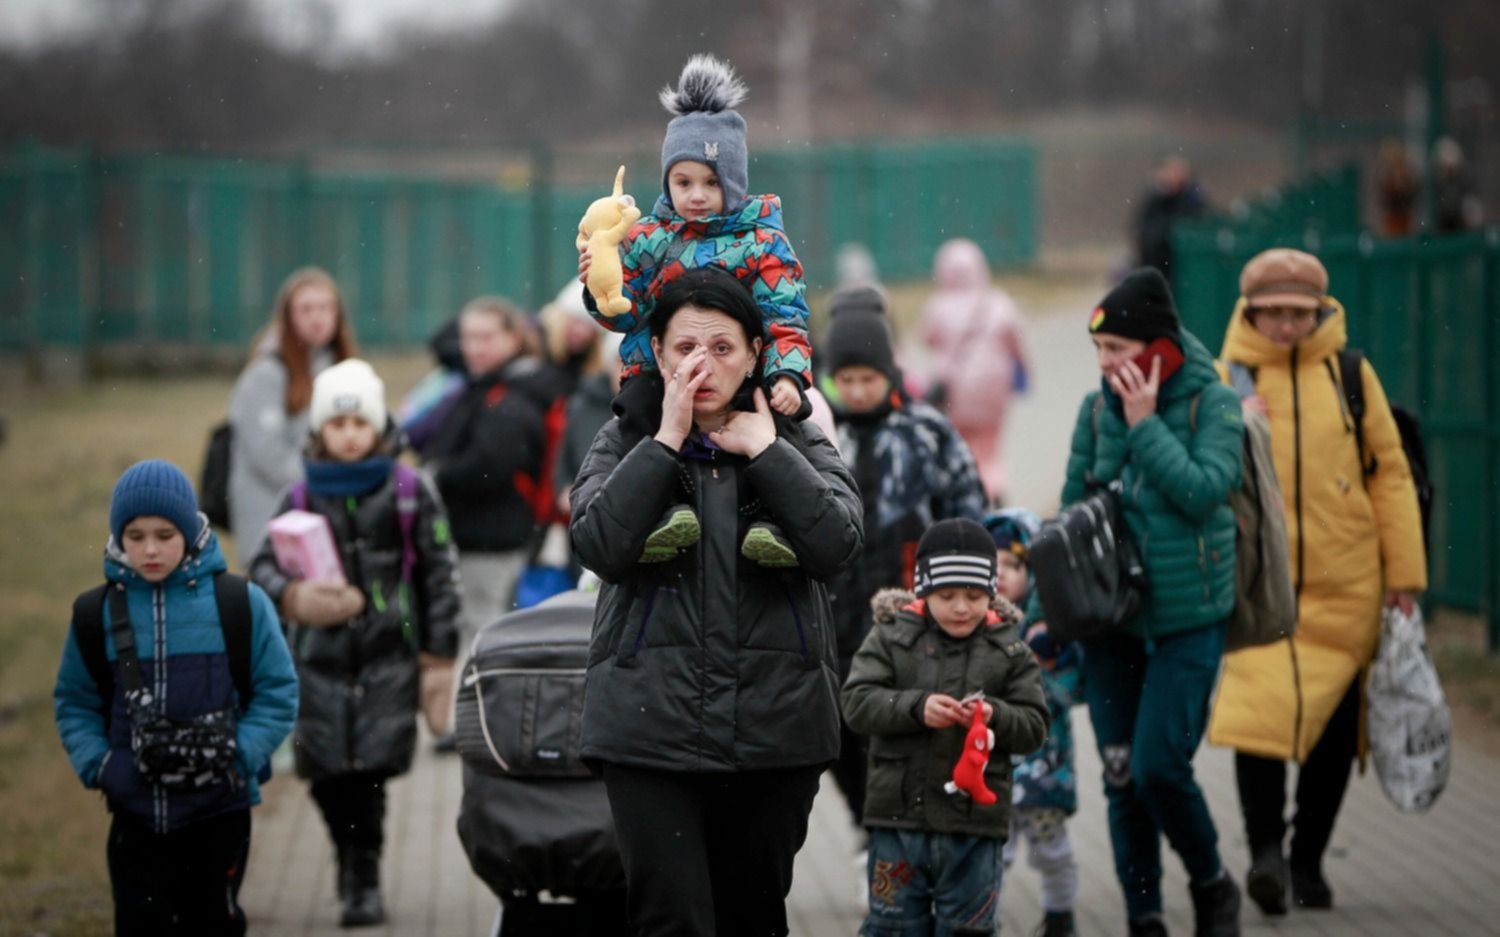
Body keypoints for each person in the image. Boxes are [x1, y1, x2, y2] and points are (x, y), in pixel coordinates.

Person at [569, 266, 862, 936]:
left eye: (724, 347)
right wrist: (664, 441)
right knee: (672, 919)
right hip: (647, 729)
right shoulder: (624, 438)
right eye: (685, 348)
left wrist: (766, 451)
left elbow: (838, 545)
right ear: (658, 353)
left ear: (758, 352)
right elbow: (598, 544)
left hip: (776, 730)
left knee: (752, 916)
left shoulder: (799, 437)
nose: (703, 364)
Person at [1206, 249, 1427, 916]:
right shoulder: (1224, 380)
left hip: (1346, 582)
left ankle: (1308, 858)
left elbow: (1389, 473)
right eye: (1272, 312)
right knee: (1258, 724)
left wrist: (1404, 575)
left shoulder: (1351, 376)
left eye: (1298, 313)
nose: (1284, 325)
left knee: (1334, 733)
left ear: (1320, 311)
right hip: (1259, 586)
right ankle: (1266, 853)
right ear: (1251, 311)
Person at [1050, 267, 1245, 936]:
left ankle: (1213, 881)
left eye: (1117, 352)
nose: (1104, 366)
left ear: (1158, 349)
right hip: (1112, 621)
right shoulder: (1094, 407)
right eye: (1098, 352)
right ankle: (1145, 916)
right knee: (1123, 773)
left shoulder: (1211, 403)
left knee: (1162, 767)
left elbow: (1202, 491)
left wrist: (1143, 426)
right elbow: (1074, 511)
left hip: (1191, 618)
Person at [577, 53, 812, 568]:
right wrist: (601, 286)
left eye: (711, 183)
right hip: (658, 372)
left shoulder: (761, 240)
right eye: (683, 184)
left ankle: (773, 524)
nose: (697, 197)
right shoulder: (647, 238)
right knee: (641, 420)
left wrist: (788, 374)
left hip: (740, 374)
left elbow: (784, 313)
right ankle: (660, 515)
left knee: (772, 429)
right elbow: (626, 313)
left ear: (734, 182)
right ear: (667, 183)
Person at [250, 360, 461, 927]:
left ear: (377, 426)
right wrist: (295, 596)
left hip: (386, 661)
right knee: (323, 774)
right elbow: (262, 567)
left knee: (367, 778)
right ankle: (346, 857)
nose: (348, 435)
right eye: (336, 425)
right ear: (320, 431)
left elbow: (438, 576)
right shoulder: (299, 495)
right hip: (315, 664)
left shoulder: (409, 491)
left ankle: (361, 876)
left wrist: (439, 659)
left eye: (358, 423)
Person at [54, 460, 298, 936]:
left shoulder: (239, 604)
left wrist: (239, 756)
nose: (149, 550)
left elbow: (279, 691)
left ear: (191, 529)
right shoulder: (95, 614)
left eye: (165, 535)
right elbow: (74, 701)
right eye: (135, 535)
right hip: (134, 815)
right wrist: (102, 767)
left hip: (220, 813)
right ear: (117, 537)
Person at [819, 287, 987, 845]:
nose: (859, 392)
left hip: (910, 610)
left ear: (890, 372)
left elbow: (967, 510)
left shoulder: (925, 431)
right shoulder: (818, 435)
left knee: (905, 725)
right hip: (837, 611)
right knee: (838, 729)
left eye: (869, 378)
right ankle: (870, 821)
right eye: (847, 380)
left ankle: (905, 830)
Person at [842, 518, 1049, 937]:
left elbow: (1034, 725)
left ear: (991, 592)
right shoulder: (890, 637)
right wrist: (916, 708)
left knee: (968, 930)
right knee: (892, 927)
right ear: (922, 590)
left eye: (974, 596)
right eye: (946, 595)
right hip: (897, 823)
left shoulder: (1010, 649)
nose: (960, 607)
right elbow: (856, 703)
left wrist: (996, 714)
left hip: (974, 830)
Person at [421, 297, 555, 682]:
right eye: (468, 337)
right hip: (479, 534)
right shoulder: (484, 387)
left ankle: (480, 722)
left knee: (486, 631)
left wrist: (436, 477)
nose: (474, 347)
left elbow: (490, 466)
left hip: (494, 538)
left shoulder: (513, 396)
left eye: (486, 337)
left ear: (514, 339)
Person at [986, 508, 1082, 937]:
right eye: (994, 564)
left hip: (1044, 765)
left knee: (1051, 848)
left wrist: (1038, 661)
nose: (1002, 574)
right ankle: (983, 918)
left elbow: (1068, 688)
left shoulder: (1049, 631)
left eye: (1015, 564)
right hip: (992, 769)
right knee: (993, 851)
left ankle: (1061, 915)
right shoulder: (976, 625)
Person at [228, 267, 357, 567]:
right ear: (287, 317)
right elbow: (269, 457)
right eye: (306, 309)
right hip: (272, 520)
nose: (317, 317)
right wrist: (331, 481)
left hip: (324, 517)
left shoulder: (340, 367)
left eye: (326, 308)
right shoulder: (266, 373)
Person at [920, 238, 1031, 502]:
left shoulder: (938, 305)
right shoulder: (999, 302)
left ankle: (967, 490)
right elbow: (1017, 345)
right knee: (990, 446)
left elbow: (926, 339)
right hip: (994, 388)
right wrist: (1025, 376)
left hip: (953, 391)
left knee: (959, 443)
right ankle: (994, 486)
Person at [1135, 155, 1207, 286]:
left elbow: (1196, 221)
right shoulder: (1156, 198)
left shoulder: (1192, 198)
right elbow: (1144, 229)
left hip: (1178, 270)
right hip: (1156, 264)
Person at [1375, 140, 1419, 238]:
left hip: (1403, 218)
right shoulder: (1386, 177)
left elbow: (1412, 193)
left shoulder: (1405, 174)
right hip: (1392, 218)